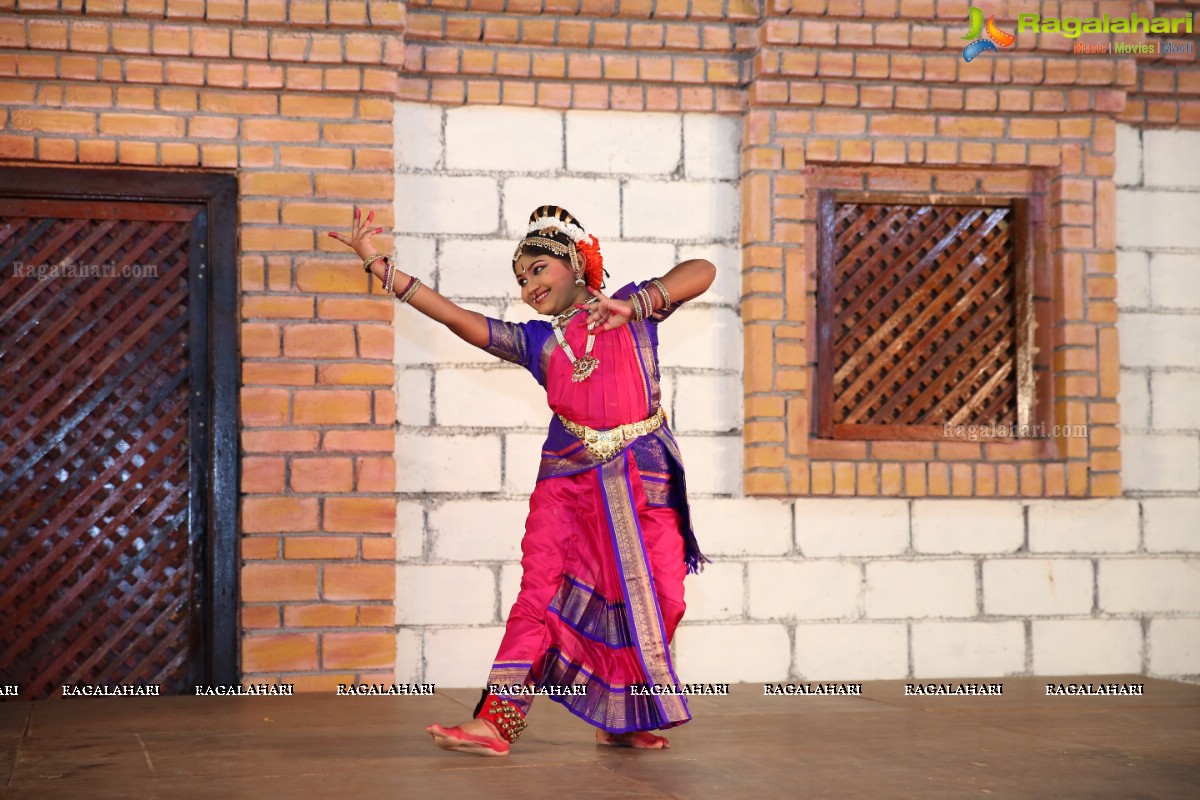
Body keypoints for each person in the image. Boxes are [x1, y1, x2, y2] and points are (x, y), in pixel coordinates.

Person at [329, 204, 714, 756]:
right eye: (521, 279)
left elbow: (703, 270)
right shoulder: (540, 343)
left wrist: (635, 305)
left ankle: (621, 715)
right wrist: (379, 267)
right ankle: (496, 719)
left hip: (641, 478)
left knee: (664, 598)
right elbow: (457, 318)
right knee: (540, 593)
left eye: (538, 269)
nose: (529, 285)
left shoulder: (635, 308)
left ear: (577, 265)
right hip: (567, 484)